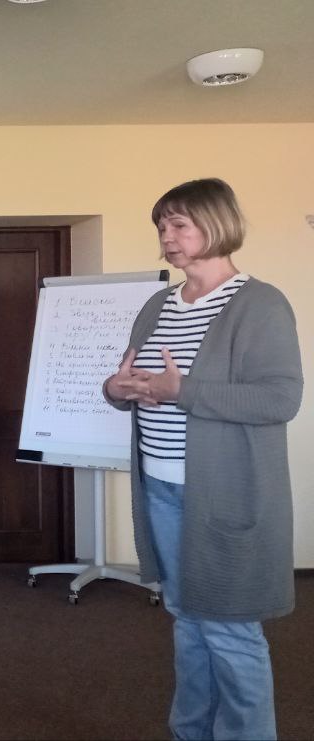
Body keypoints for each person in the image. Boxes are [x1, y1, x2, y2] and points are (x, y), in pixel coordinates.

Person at [102, 178, 301, 741]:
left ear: (217, 224)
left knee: (230, 630)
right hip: (161, 487)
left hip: (224, 495)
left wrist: (181, 391)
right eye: (161, 225)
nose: (166, 236)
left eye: (179, 224)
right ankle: (191, 731)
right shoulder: (158, 304)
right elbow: (138, 382)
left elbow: (279, 400)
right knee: (187, 619)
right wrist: (116, 390)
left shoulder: (260, 304)